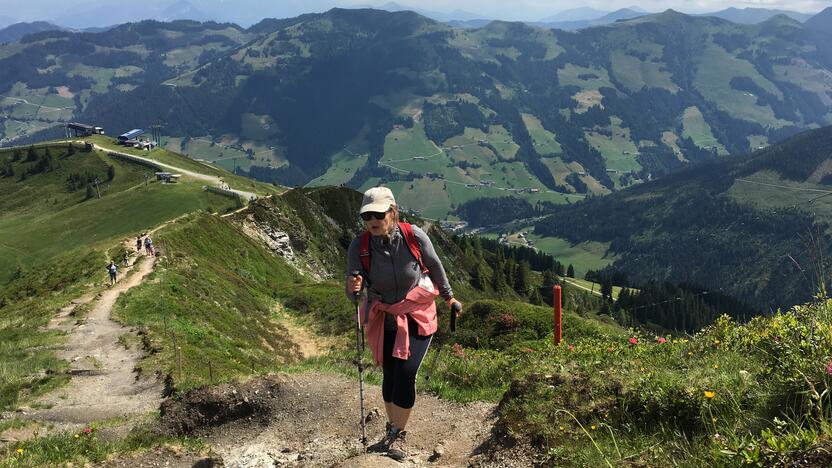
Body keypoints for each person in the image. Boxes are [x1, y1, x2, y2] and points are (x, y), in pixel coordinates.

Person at [345, 187, 461, 461]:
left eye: (378, 214)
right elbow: (353, 294)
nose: (372, 220)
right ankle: (393, 427)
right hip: (383, 316)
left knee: (406, 373)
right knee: (390, 375)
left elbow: (434, 265)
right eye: (367, 215)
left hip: (416, 313)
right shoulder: (358, 247)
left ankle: (399, 433)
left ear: (392, 212)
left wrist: (449, 297)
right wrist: (354, 287)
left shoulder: (413, 236)